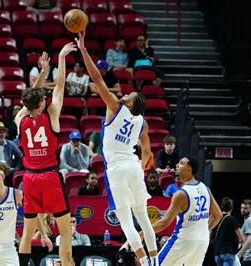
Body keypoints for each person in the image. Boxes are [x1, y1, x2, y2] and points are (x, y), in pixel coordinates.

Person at [76, 31, 158, 266]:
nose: (126, 93)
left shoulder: (115, 106)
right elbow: (147, 152)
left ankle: (142, 262)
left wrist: (83, 50)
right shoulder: (143, 122)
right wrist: (142, 168)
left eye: (130, 94)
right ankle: (155, 262)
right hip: (134, 166)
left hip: (117, 169)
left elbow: (97, 79)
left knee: (126, 222)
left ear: (131, 103)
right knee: (144, 218)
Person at [16, 45, 77, 266]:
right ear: (42, 103)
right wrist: (61, 58)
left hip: (29, 178)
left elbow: (29, 98)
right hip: (49, 177)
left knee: (27, 232)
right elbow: (60, 85)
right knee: (65, 232)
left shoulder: (20, 119)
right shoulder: (51, 114)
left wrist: (41, 74)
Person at [134, 156, 222, 265]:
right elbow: (218, 215)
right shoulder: (205, 188)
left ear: (189, 169)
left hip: (183, 240)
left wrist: (144, 233)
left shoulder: (181, 194)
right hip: (202, 241)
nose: (177, 165)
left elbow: (164, 223)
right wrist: (204, 229)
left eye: (181, 163)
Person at [213, 197, 245, 266]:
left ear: (221, 206)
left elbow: (210, 237)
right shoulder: (232, 219)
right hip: (228, 252)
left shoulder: (216, 219)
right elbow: (241, 239)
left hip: (217, 253)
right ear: (232, 208)